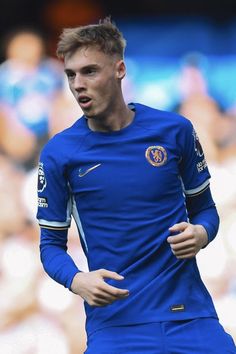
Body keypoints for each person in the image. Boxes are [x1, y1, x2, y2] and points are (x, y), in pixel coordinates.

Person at [37, 18, 236, 353]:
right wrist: (76, 279)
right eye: (71, 74)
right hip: (116, 326)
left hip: (191, 317)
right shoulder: (60, 153)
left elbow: (206, 211)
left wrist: (201, 233)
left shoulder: (174, 131)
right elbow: (50, 245)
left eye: (90, 71)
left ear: (120, 69)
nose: (78, 84)